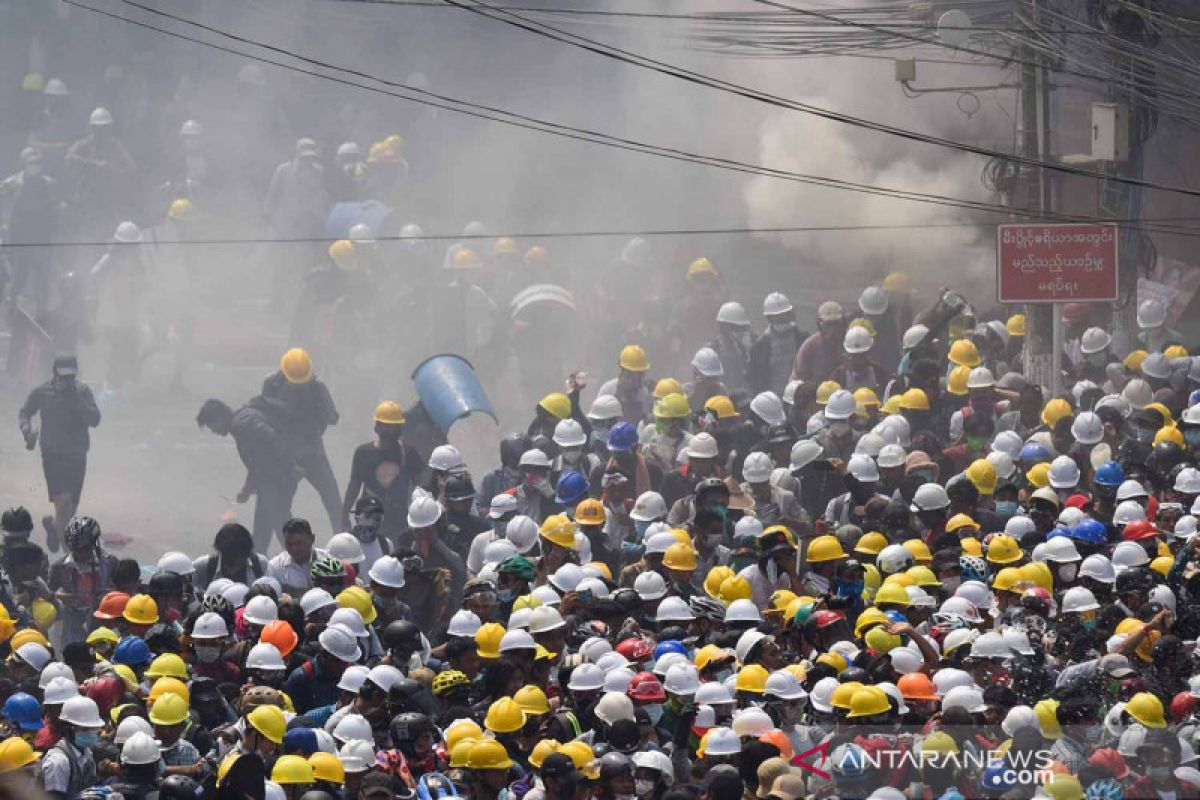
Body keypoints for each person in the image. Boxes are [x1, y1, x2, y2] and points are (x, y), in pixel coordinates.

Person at [19, 354, 100, 553]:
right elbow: (25, 412)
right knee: (63, 503)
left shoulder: (83, 392)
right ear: (55, 374)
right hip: (53, 455)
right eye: (63, 377)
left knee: (70, 508)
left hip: (77, 455)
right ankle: (68, 556)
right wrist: (27, 431)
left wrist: (76, 401)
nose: (67, 381)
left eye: (70, 377)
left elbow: (95, 419)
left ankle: (55, 527)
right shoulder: (43, 392)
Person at [197, 397, 299, 552]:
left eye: (212, 426)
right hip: (272, 480)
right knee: (269, 527)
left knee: (275, 526)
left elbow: (272, 438)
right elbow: (256, 464)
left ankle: (297, 560)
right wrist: (246, 490)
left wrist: (291, 465)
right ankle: (275, 561)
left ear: (219, 417)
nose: (214, 431)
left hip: (277, 480)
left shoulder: (243, 424)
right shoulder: (241, 423)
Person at [262, 348, 343, 535]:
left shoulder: (317, 387)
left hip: (312, 450)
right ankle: (291, 544)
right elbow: (264, 415)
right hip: (284, 454)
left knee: (333, 500)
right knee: (281, 505)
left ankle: (343, 540)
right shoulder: (271, 385)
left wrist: (315, 411)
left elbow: (333, 417)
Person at [342, 401, 422, 543]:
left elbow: (421, 488)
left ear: (400, 429)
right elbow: (354, 485)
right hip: (369, 520)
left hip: (400, 521)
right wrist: (344, 514)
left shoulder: (409, 453)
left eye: (394, 427)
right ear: (377, 427)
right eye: (386, 426)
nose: (390, 431)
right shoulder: (363, 453)